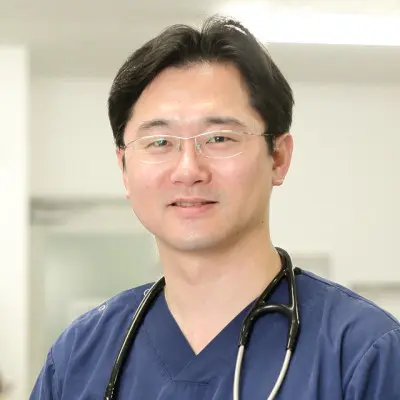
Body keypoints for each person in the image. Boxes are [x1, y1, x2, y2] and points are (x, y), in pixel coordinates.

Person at [30, 15, 400, 400]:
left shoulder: (363, 354)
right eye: (160, 142)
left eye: (220, 138)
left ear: (278, 157)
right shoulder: (78, 358)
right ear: (124, 168)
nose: (188, 170)